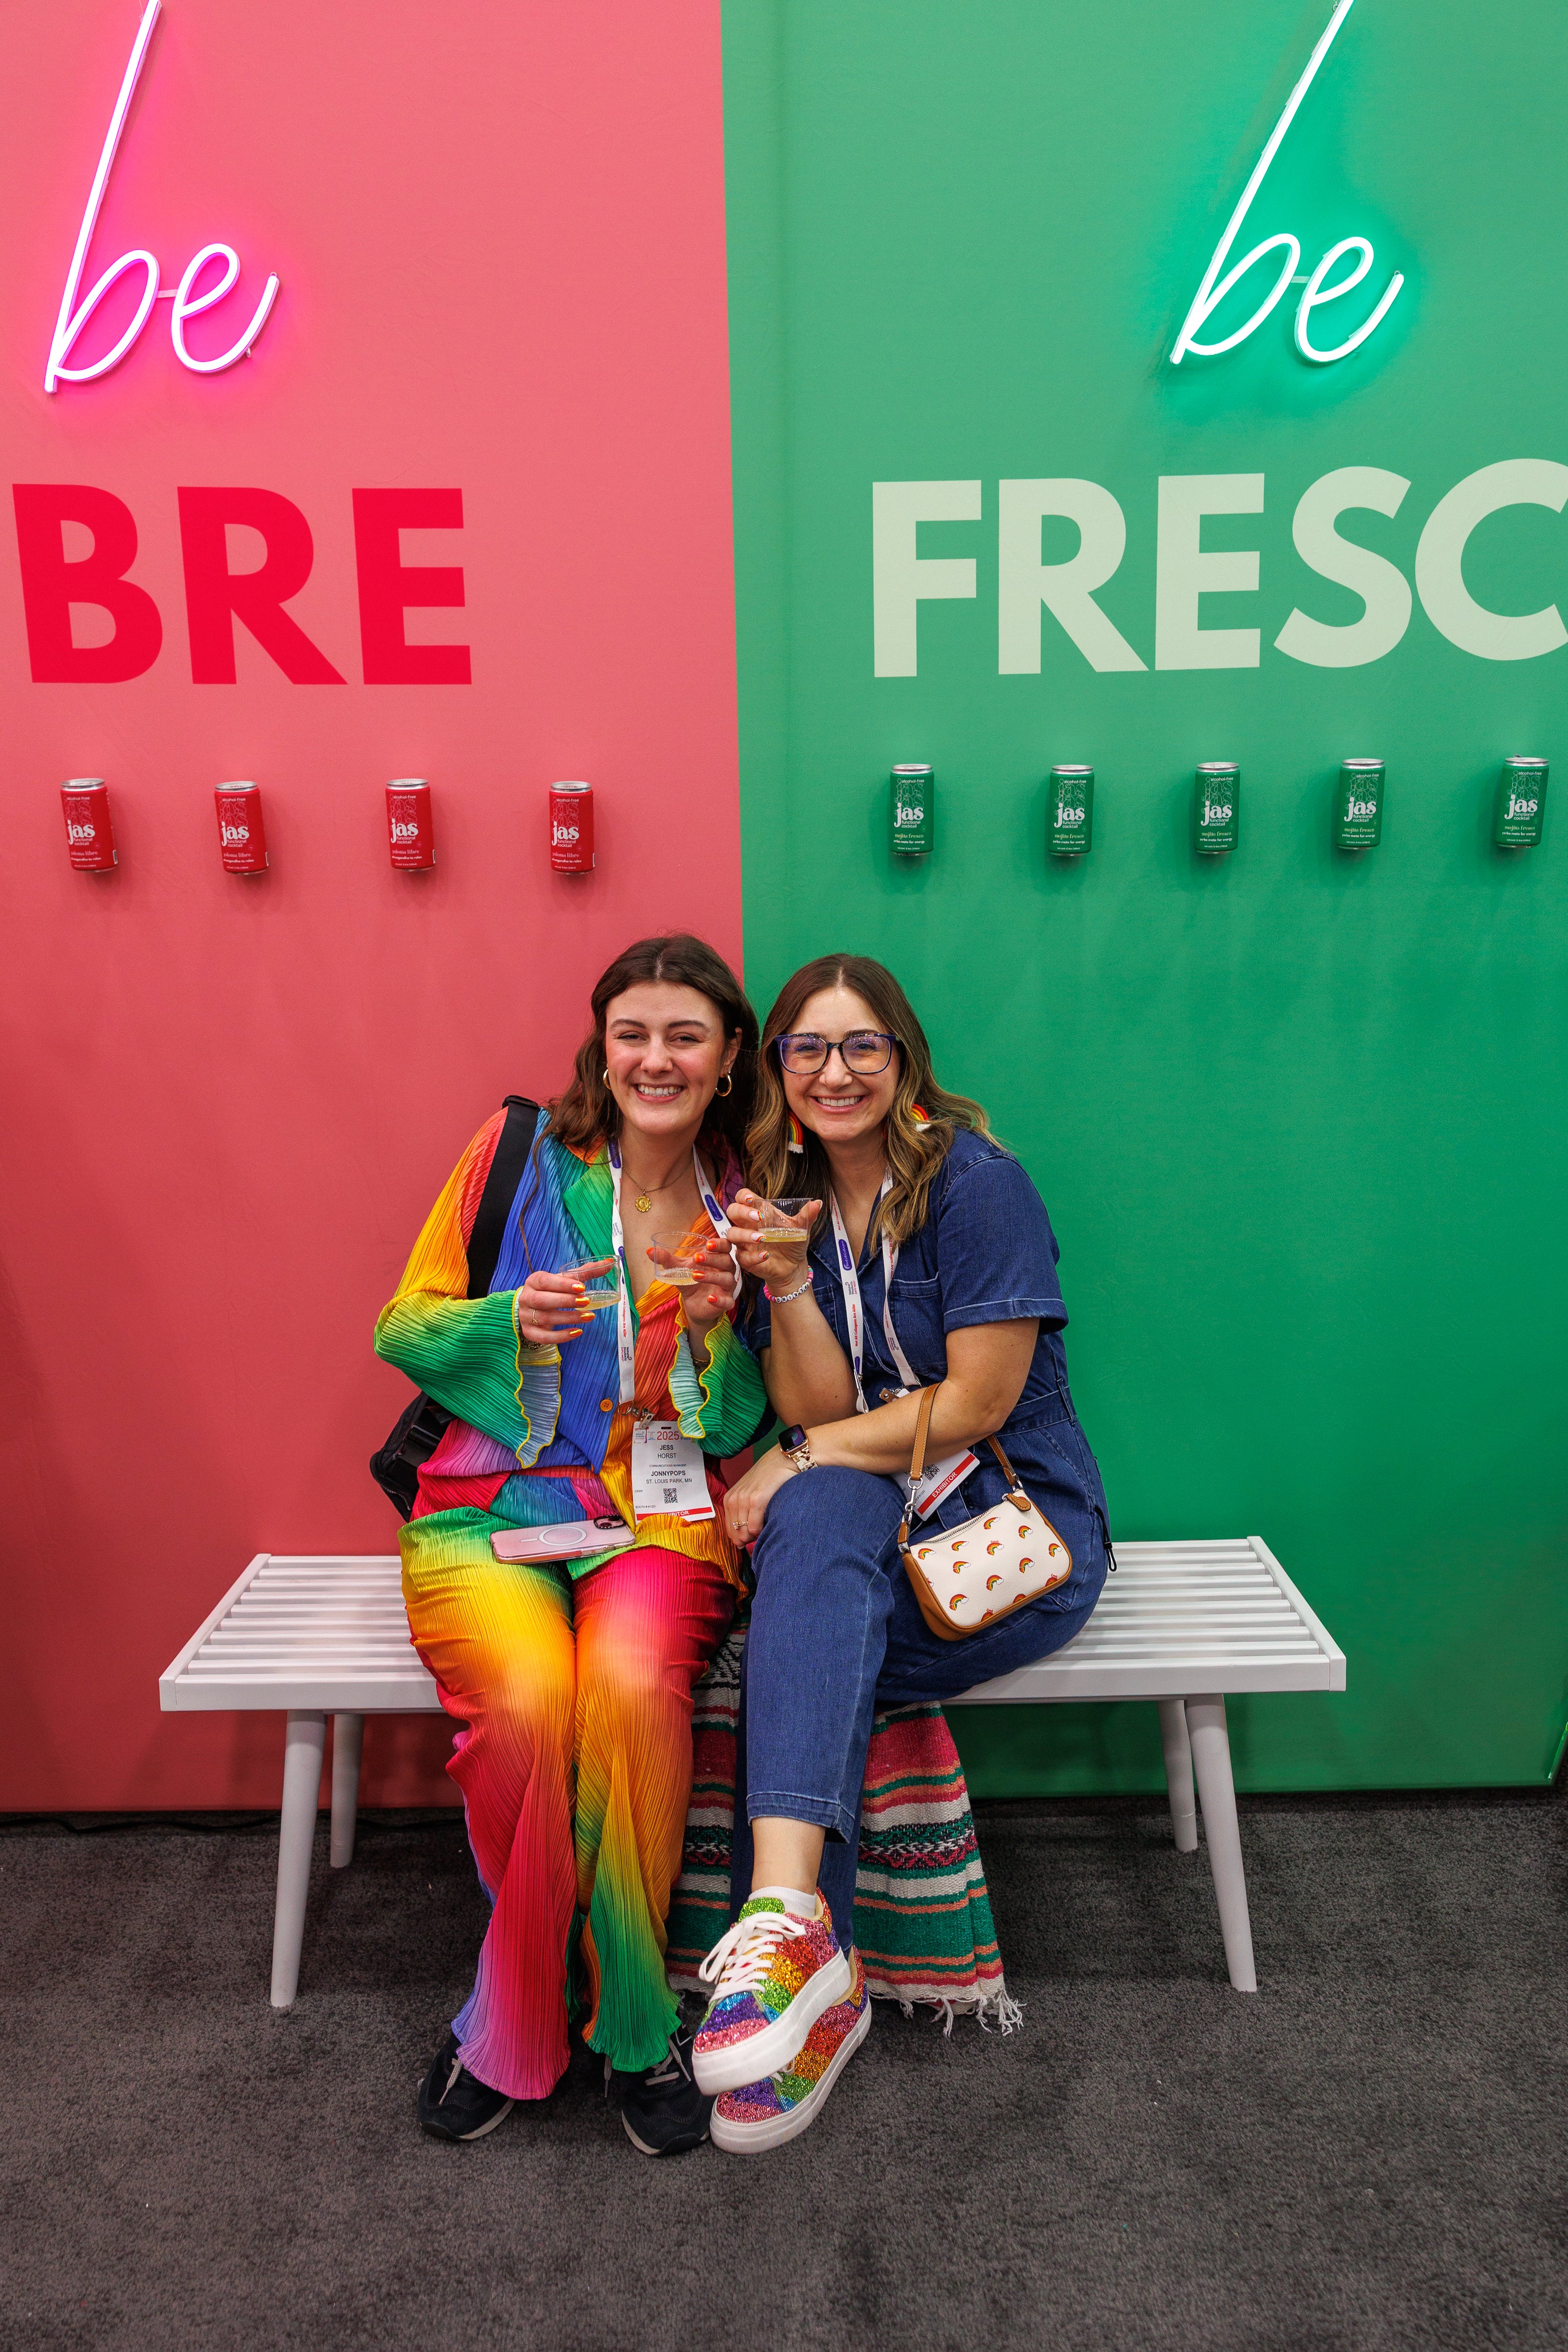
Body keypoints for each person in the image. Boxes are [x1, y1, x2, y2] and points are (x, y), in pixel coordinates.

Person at [689, 953, 1113, 2153]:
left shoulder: (977, 1186)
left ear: (904, 1058)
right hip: (872, 1523)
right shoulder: (785, 1199)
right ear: (779, 1070)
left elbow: (979, 1403)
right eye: (809, 1049)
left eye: (861, 1045)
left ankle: (800, 1987)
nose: (836, 1071)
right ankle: (796, 1943)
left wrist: (794, 1456)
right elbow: (821, 1405)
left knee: (801, 1650)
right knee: (820, 1537)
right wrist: (788, 1289)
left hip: (1006, 1531)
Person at [374, 934, 769, 2155]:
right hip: (485, 1508)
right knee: (530, 1706)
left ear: (728, 1056)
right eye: (632, 1033)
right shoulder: (518, 1152)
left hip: (657, 1518)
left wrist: (715, 1331)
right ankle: (588, 2014)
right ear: (602, 1046)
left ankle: (582, 2025)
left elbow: (736, 1425)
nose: (655, 1058)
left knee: (631, 1692)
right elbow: (402, 1326)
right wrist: (507, 1320)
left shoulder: (743, 1198)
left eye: (685, 1035)